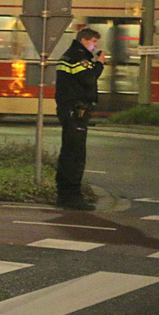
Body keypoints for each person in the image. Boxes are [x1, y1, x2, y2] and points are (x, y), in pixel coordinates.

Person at [54, 27, 105, 211]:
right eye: (93, 41)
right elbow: (88, 78)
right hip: (75, 111)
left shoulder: (72, 55)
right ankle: (70, 196)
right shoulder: (78, 57)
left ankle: (67, 194)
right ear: (83, 40)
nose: (95, 45)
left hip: (72, 110)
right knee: (74, 155)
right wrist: (99, 64)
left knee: (70, 152)